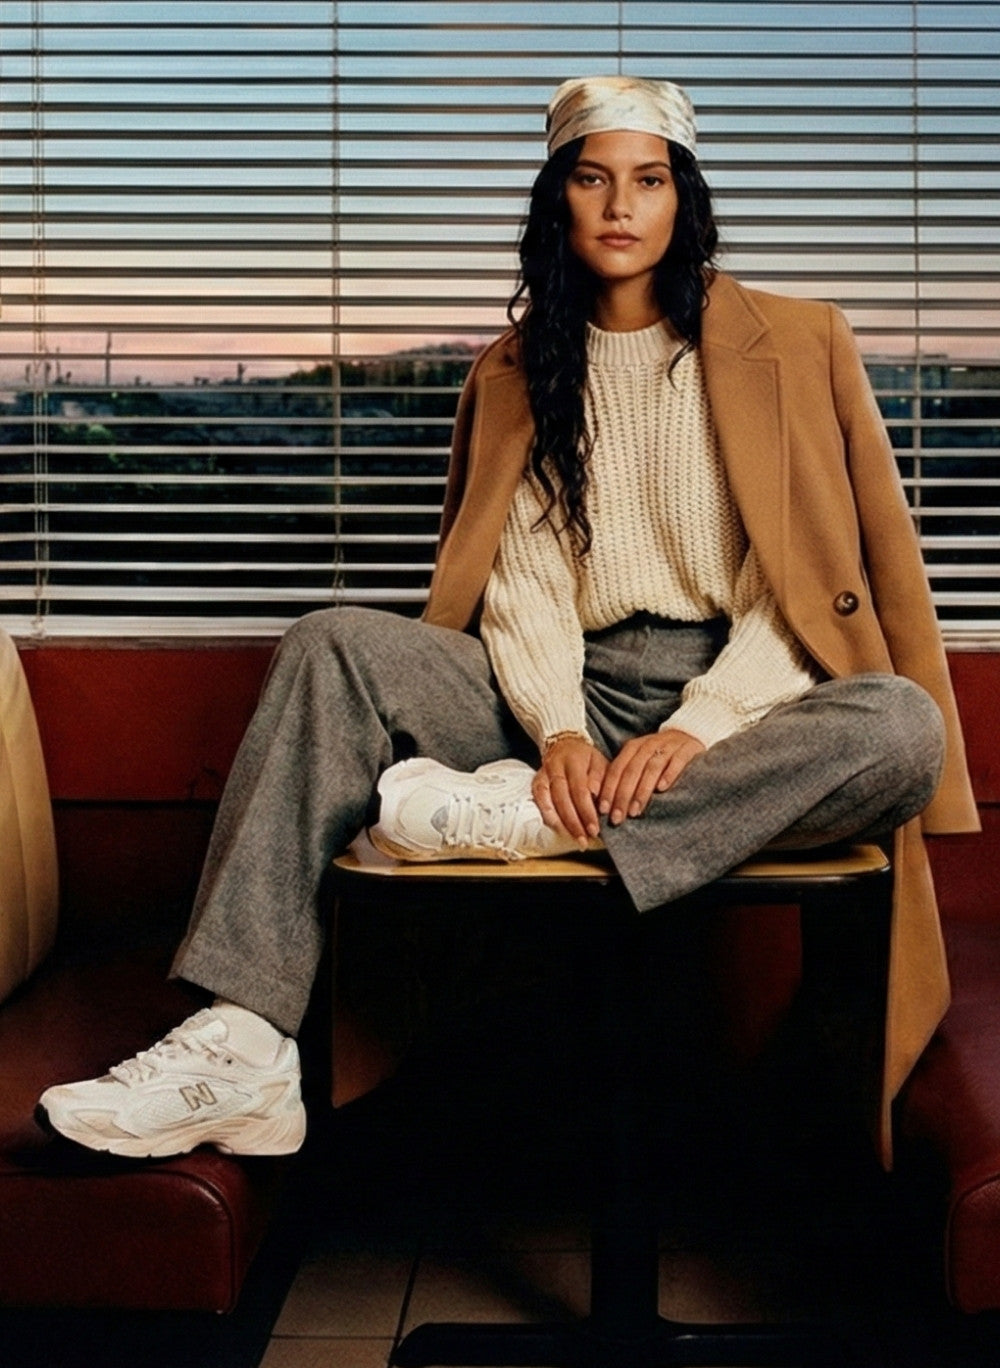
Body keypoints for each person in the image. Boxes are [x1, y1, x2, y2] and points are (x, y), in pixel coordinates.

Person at [38, 76, 978, 1165]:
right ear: (556, 200)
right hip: (557, 686)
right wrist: (561, 731)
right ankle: (243, 1042)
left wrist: (700, 725)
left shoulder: (802, 341)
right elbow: (522, 584)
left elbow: (805, 586)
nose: (619, 206)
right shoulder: (513, 369)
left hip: (743, 702)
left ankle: (528, 825)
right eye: (592, 180)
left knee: (899, 725)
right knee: (332, 644)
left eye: (649, 180)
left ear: (683, 198)